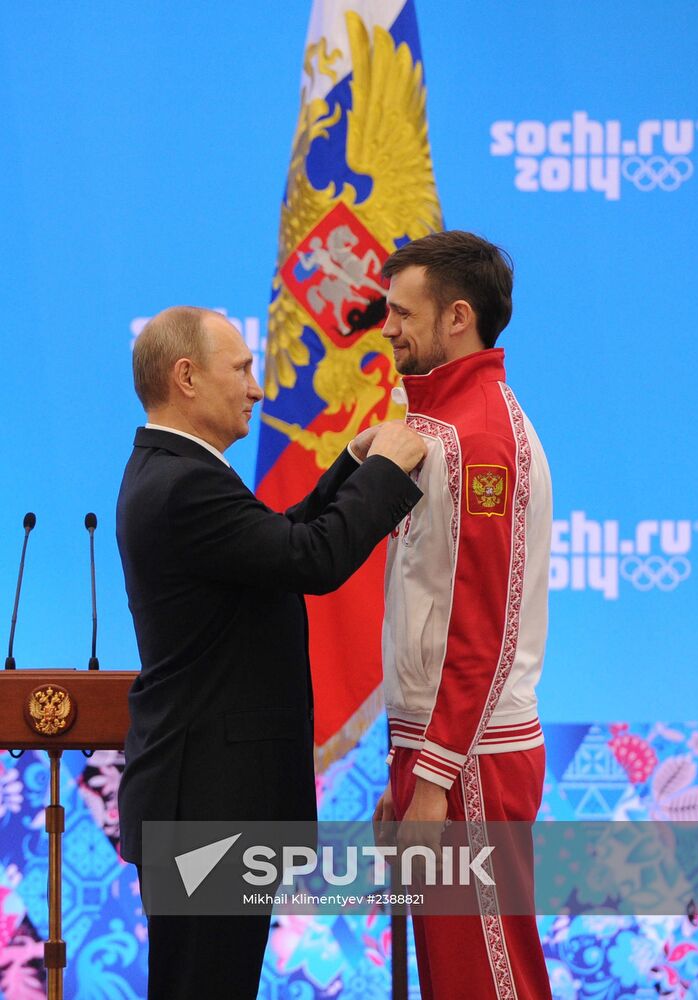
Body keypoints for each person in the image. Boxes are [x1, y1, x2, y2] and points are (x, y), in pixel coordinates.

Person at [116, 305, 426, 1000]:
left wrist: (349, 466)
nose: (258, 388)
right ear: (186, 377)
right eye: (244, 369)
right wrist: (389, 473)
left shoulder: (172, 472)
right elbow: (310, 559)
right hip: (208, 810)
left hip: (204, 804)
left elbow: (274, 545)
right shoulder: (184, 483)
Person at [373, 231, 553, 999]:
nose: (385, 329)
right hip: (438, 745)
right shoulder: (433, 428)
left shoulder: (481, 439)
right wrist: (409, 768)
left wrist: (437, 774)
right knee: (456, 979)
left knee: (491, 981)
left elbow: (483, 628)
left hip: (472, 756)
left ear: (456, 318)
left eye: (399, 313)